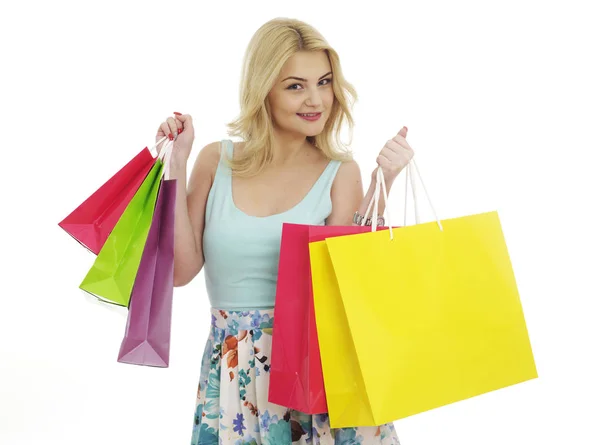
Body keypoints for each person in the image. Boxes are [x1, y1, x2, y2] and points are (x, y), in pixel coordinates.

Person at [155, 17, 414, 445]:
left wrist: (382, 182)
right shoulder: (214, 161)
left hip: (317, 370)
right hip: (236, 377)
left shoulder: (339, 172)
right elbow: (181, 271)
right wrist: (176, 164)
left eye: (324, 82)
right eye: (296, 85)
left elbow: (349, 280)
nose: (316, 99)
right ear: (264, 91)